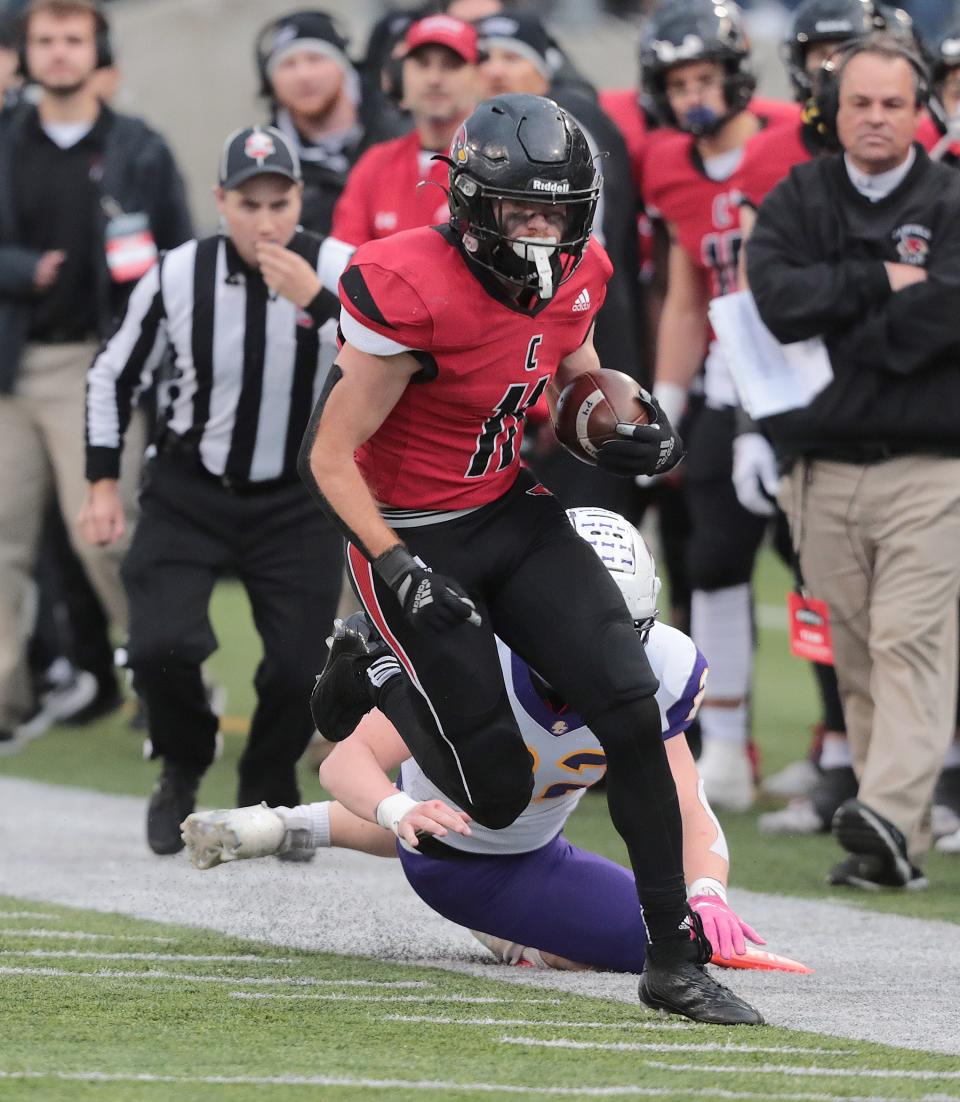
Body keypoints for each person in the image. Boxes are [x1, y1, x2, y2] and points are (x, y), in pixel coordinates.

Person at [297, 91, 760, 1025]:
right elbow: (329, 455)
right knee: (496, 797)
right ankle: (375, 664)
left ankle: (671, 960)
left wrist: (626, 422)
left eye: (556, 209)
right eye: (521, 209)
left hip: (508, 508)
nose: (542, 230)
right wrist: (394, 565)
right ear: (473, 205)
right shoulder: (407, 283)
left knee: (629, 707)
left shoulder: (577, 270)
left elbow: (572, 376)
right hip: (415, 533)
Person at [183, 509, 767, 976]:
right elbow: (348, 760)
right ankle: (512, 938)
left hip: (533, 844)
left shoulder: (666, 667)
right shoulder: (481, 653)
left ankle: (283, 827)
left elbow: (685, 802)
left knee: (681, 922)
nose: (599, 659)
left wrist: (709, 889)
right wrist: (398, 808)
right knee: (658, 943)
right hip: (460, 863)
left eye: (619, 638)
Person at [80, 125, 343, 856]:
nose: (265, 221)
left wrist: (317, 300)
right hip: (191, 489)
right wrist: (103, 480)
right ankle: (183, 760)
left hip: (299, 497)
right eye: (248, 202)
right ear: (220, 200)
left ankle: (268, 786)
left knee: (300, 668)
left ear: (301, 199)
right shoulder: (177, 272)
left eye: (280, 201)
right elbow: (112, 373)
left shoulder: (340, 268)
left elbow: (399, 355)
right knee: (159, 643)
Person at [746, 33, 960, 890]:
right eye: (860, 103)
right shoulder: (797, 195)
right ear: (832, 113)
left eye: (893, 104)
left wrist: (839, 311)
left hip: (929, 467)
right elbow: (776, 302)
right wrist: (882, 282)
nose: (875, 118)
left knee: (910, 641)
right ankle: (890, 836)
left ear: (920, 112)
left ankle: (887, 811)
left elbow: (943, 319)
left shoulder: (951, 200)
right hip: (819, 471)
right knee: (859, 653)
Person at [0, 0, 192, 742]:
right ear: (24, 52)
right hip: (12, 363)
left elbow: (179, 259)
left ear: (97, 49)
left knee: (106, 536)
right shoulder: (8, 140)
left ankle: (169, 684)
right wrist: (18, 268)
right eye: (43, 40)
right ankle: (7, 701)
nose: (56, 53)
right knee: (3, 544)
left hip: (97, 362)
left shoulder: (138, 146)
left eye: (71, 39)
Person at [638, 0, 798, 811]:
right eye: (679, 81)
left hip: (806, 380)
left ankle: (840, 745)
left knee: (820, 568)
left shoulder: (793, 138)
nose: (695, 95)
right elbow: (683, 293)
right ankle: (728, 746)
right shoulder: (669, 165)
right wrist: (665, 402)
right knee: (712, 563)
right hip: (723, 384)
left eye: (706, 77)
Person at [475, 10, 644, 522]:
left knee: (583, 527)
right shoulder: (483, 136)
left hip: (566, 338)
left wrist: (557, 384)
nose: (496, 69)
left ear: (545, 68)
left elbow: (567, 268)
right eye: (485, 58)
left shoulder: (561, 129)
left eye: (512, 57)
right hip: (509, 357)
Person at [326, 15, 479, 254]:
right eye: (422, 63)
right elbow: (345, 263)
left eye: (451, 64)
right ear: (402, 74)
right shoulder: (375, 163)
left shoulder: (497, 168)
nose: (434, 79)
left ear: (478, 75)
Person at [255, 9, 399, 237]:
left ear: (343, 66)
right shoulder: (265, 160)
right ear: (270, 83)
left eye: (316, 58)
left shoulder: (399, 131)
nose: (304, 75)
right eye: (288, 64)